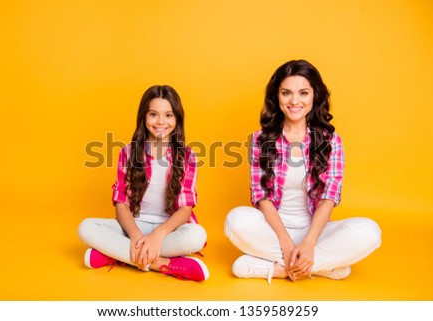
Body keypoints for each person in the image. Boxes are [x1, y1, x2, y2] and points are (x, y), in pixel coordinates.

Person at [224, 60, 381, 283]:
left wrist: (308, 244)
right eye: (286, 93)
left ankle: (279, 268)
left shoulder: (331, 141)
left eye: (303, 93)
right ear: (276, 96)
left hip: (316, 234)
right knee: (235, 220)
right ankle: (323, 268)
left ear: (314, 96)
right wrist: (287, 243)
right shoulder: (260, 139)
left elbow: (329, 197)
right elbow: (262, 198)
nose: (294, 101)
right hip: (273, 231)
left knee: (370, 232)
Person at [78, 85, 209, 282]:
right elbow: (121, 204)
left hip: (168, 231)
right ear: (144, 117)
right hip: (133, 226)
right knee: (86, 227)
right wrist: (135, 236)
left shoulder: (187, 155)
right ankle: (164, 264)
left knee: (196, 236)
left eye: (168, 115)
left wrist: (158, 235)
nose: (161, 122)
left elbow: (186, 209)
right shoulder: (128, 153)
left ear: (177, 119)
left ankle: (116, 254)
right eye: (153, 114)